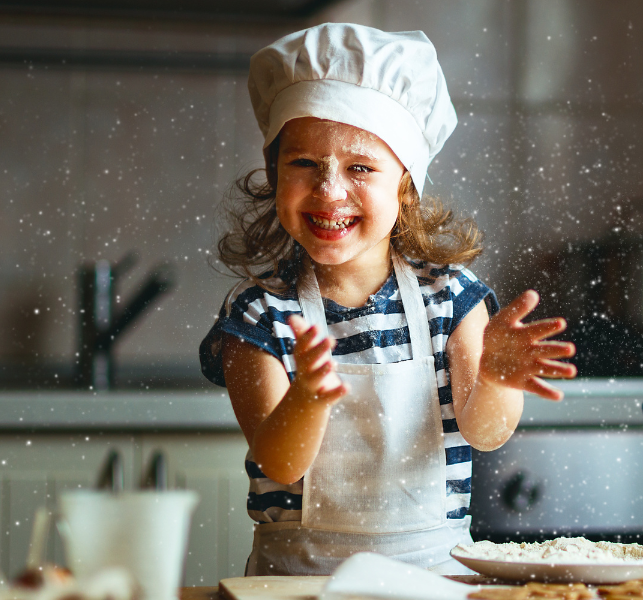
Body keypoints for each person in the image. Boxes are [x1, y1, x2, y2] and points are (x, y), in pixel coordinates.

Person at [199, 23, 576, 576]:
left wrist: (494, 377)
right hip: (299, 582)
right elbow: (279, 462)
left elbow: (485, 434)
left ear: (405, 185)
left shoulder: (452, 298)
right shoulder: (259, 316)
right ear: (274, 174)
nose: (329, 190)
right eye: (303, 163)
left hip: (436, 576)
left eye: (360, 168)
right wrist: (307, 396)